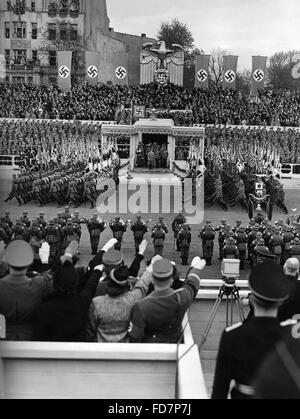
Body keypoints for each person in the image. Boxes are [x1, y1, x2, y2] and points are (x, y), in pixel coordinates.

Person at [212, 261, 290, 399]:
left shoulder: (233, 335)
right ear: (281, 301)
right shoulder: (290, 336)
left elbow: (219, 390)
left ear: (252, 299)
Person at [129, 257, 206, 343]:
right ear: (171, 280)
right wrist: (195, 270)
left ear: (153, 280)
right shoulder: (182, 298)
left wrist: (149, 269)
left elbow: (135, 337)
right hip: (174, 344)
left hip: (150, 348)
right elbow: (191, 285)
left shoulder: (141, 306)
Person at [33, 248, 102, 343]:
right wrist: (97, 270)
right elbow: (90, 285)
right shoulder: (82, 301)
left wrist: (45, 263)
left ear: (55, 283)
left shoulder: (45, 308)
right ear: (75, 282)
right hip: (77, 350)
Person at [0, 240, 54, 341]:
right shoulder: (38, 285)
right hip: (30, 338)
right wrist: (45, 261)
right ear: (29, 263)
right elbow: (55, 278)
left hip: (4, 338)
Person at [86, 262, 152, 343]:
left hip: (101, 349)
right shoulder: (131, 299)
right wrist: (149, 269)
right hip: (123, 348)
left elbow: (90, 330)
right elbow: (142, 286)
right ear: (126, 285)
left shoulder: (96, 303)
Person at [278, 258, 300, 322]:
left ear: (284, 267)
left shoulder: (276, 285)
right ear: (298, 270)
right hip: (296, 328)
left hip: (279, 326)